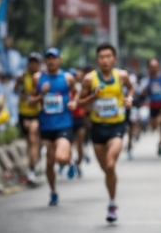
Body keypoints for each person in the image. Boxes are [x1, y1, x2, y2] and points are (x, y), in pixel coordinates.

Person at [78, 43, 134, 223]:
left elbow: (131, 89)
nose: (105, 60)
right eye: (101, 57)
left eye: (108, 56)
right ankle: (112, 191)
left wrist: (129, 98)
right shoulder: (89, 79)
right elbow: (80, 103)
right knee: (106, 169)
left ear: (114, 59)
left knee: (110, 165)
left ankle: (112, 203)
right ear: (97, 59)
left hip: (117, 126)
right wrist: (92, 97)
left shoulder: (122, 76)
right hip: (97, 128)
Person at [29, 48, 77, 206]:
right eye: (48, 58)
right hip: (46, 125)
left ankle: (69, 160)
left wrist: (73, 102)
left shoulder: (67, 78)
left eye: (54, 58)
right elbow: (31, 101)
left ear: (60, 60)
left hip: (64, 123)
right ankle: (53, 192)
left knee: (60, 157)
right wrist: (41, 94)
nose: (51, 61)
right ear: (45, 60)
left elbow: (76, 93)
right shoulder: (38, 78)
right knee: (50, 163)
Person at [15, 52, 42, 184]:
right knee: (30, 141)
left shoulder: (43, 77)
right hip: (24, 112)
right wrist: (23, 94)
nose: (33, 64)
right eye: (31, 62)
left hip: (37, 113)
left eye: (36, 62)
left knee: (33, 137)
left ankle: (32, 169)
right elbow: (15, 90)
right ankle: (32, 164)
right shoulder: (22, 77)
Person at [142, 58, 161, 157]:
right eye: (152, 66)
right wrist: (143, 92)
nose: (154, 68)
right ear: (148, 67)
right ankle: (160, 143)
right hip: (152, 107)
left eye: (156, 66)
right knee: (154, 127)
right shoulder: (146, 80)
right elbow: (141, 94)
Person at [69, 67, 88, 178]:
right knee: (69, 145)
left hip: (80, 119)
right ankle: (71, 163)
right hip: (68, 119)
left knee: (80, 145)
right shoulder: (65, 88)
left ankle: (78, 164)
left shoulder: (83, 88)